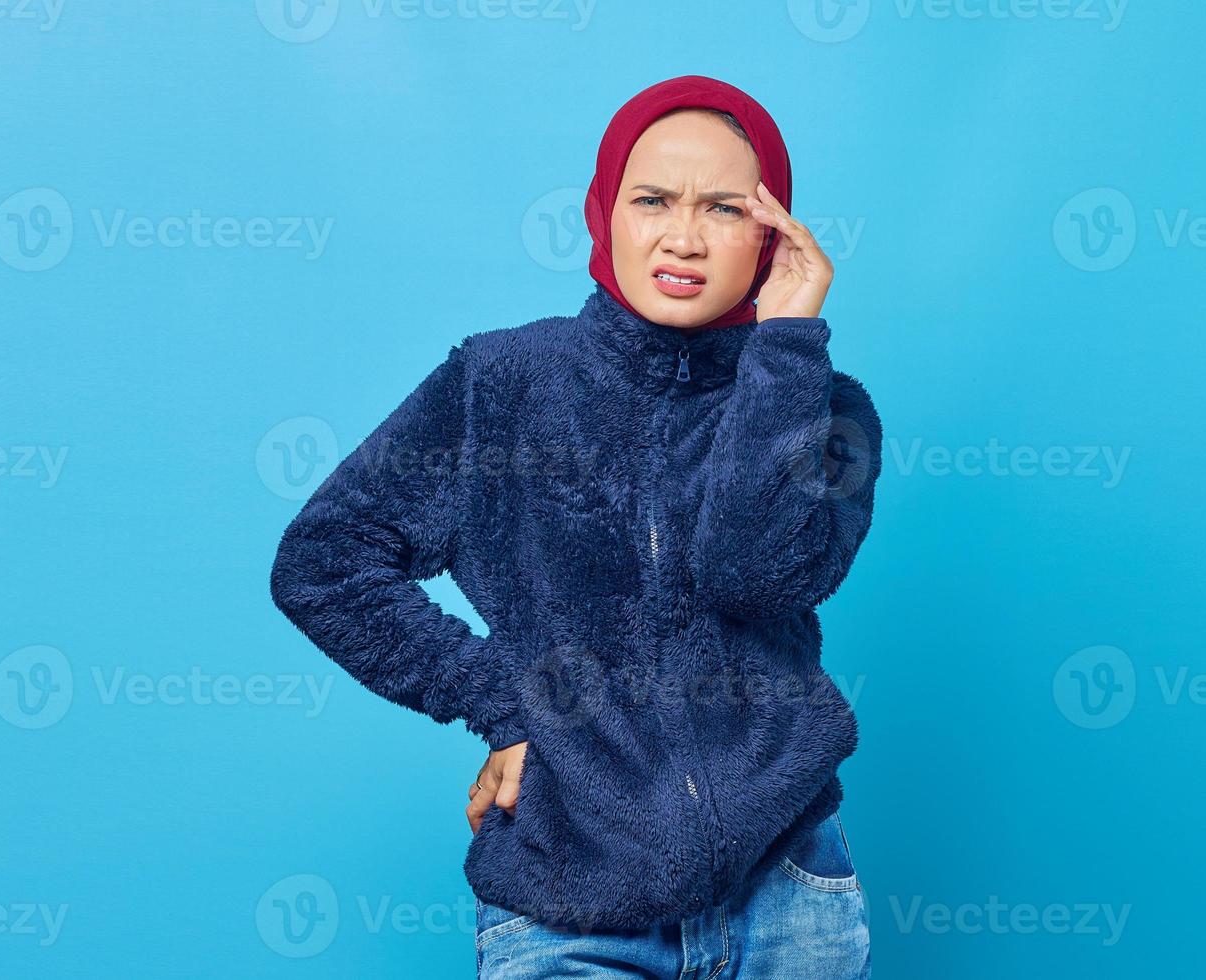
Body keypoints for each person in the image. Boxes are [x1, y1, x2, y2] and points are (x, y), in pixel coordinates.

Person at [269, 74, 882, 978]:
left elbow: (751, 575)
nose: (683, 236)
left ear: (773, 229)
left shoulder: (824, 411)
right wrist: (502, 704)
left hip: (789, 896)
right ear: (604, 212)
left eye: (723, 207)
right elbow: (324, 562)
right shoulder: (500, 385)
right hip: (570, 906)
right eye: (653, 200)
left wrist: (785, 350)